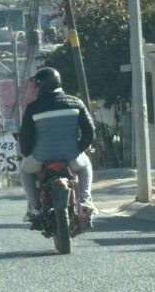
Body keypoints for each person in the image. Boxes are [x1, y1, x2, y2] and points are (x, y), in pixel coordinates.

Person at [18, 67, 96, 223]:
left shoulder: (33, 107)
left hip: (41, 156)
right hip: (71, 155)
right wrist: (79, 149)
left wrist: (28, 154)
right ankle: (85, 201)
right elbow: (90, 131)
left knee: (25, 170)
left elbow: (25, 137)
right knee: (85, 166)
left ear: (42, 85)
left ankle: (34, 207)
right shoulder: (76, 102)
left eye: (37, 86)